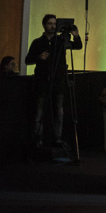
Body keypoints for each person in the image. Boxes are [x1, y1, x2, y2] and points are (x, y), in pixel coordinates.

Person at [24, 14, 83, 148]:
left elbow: (77, 46)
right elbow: (28, 60)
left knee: (59, 111)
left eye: (54, 24)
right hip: (42, 81)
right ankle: (37, 139)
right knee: (39, 112)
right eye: (50, 23)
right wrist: (39, 57)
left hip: (58, 81)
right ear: (44, 25)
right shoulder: (38, 42)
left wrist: (76, 35)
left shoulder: (60, 41)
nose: (53, 26)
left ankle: (57, 138)